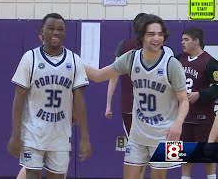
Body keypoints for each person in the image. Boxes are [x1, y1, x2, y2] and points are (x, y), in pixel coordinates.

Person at [85, 14, 189, 179]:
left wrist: (178, 124)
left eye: (160, 34)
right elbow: (98, 76)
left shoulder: (172, 64)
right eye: (151, 34)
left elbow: (184, 100)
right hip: (138, 134)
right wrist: (74, 61)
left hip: (166, 135)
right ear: (141, 36)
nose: (157, 38)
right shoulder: (131, 58)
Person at [7, 13, 91, 179]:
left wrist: (85, 137)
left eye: (61, 29)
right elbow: (18, 100)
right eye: (51, 28)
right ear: (42, 32)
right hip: (33, 133)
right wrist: (16, 134)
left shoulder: (75, 61)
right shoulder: (29, 58)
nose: (56, 32)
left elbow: (80, 103)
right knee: (31, 174)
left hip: (60, 136)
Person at [105, 12, 175, 179]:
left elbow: (111, 77)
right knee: (141, 158)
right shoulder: (130, 52)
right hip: (147, 112)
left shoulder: (127, 46)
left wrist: (108, 104)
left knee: (146, 158)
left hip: (150, 113)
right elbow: (108, 74)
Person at [177, 26, 218, 179]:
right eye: (182, 39)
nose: (182, 42)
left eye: (186, 40)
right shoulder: (178, 59)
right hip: (183, 117)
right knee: (184, 154)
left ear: (196, 41)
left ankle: (212, 177)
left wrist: (199, 94)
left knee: (208, 152)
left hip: (203, 117)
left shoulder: (211, 63)